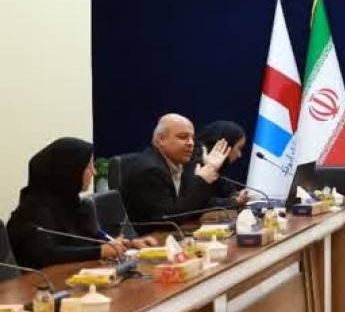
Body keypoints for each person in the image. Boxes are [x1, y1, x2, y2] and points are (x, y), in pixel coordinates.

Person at [6, 138, 152, 269]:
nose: (94, 172)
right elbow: (46, 254)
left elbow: (88, 240)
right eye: (88, 167)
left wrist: (127, 244)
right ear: (68, 171)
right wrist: (99, 251)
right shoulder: (31, 212)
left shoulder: (71, 203)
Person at [121, 114, 231, 229]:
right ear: (161, 139)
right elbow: (171, 218)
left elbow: (193, 207)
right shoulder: (150, 170)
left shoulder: (182, 165)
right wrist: (202, 180)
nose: (191, 143)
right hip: (151, 237)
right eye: (183, 137)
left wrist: (210, 168)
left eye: (192, 138)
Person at [196, 120, 251, 207]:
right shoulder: (195, 163)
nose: (239, 155)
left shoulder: (223, 167)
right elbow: (200, 203)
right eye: (239, 148)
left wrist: (236, 195)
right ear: (225, 146)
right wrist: (234, 202)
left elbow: (227, 191)